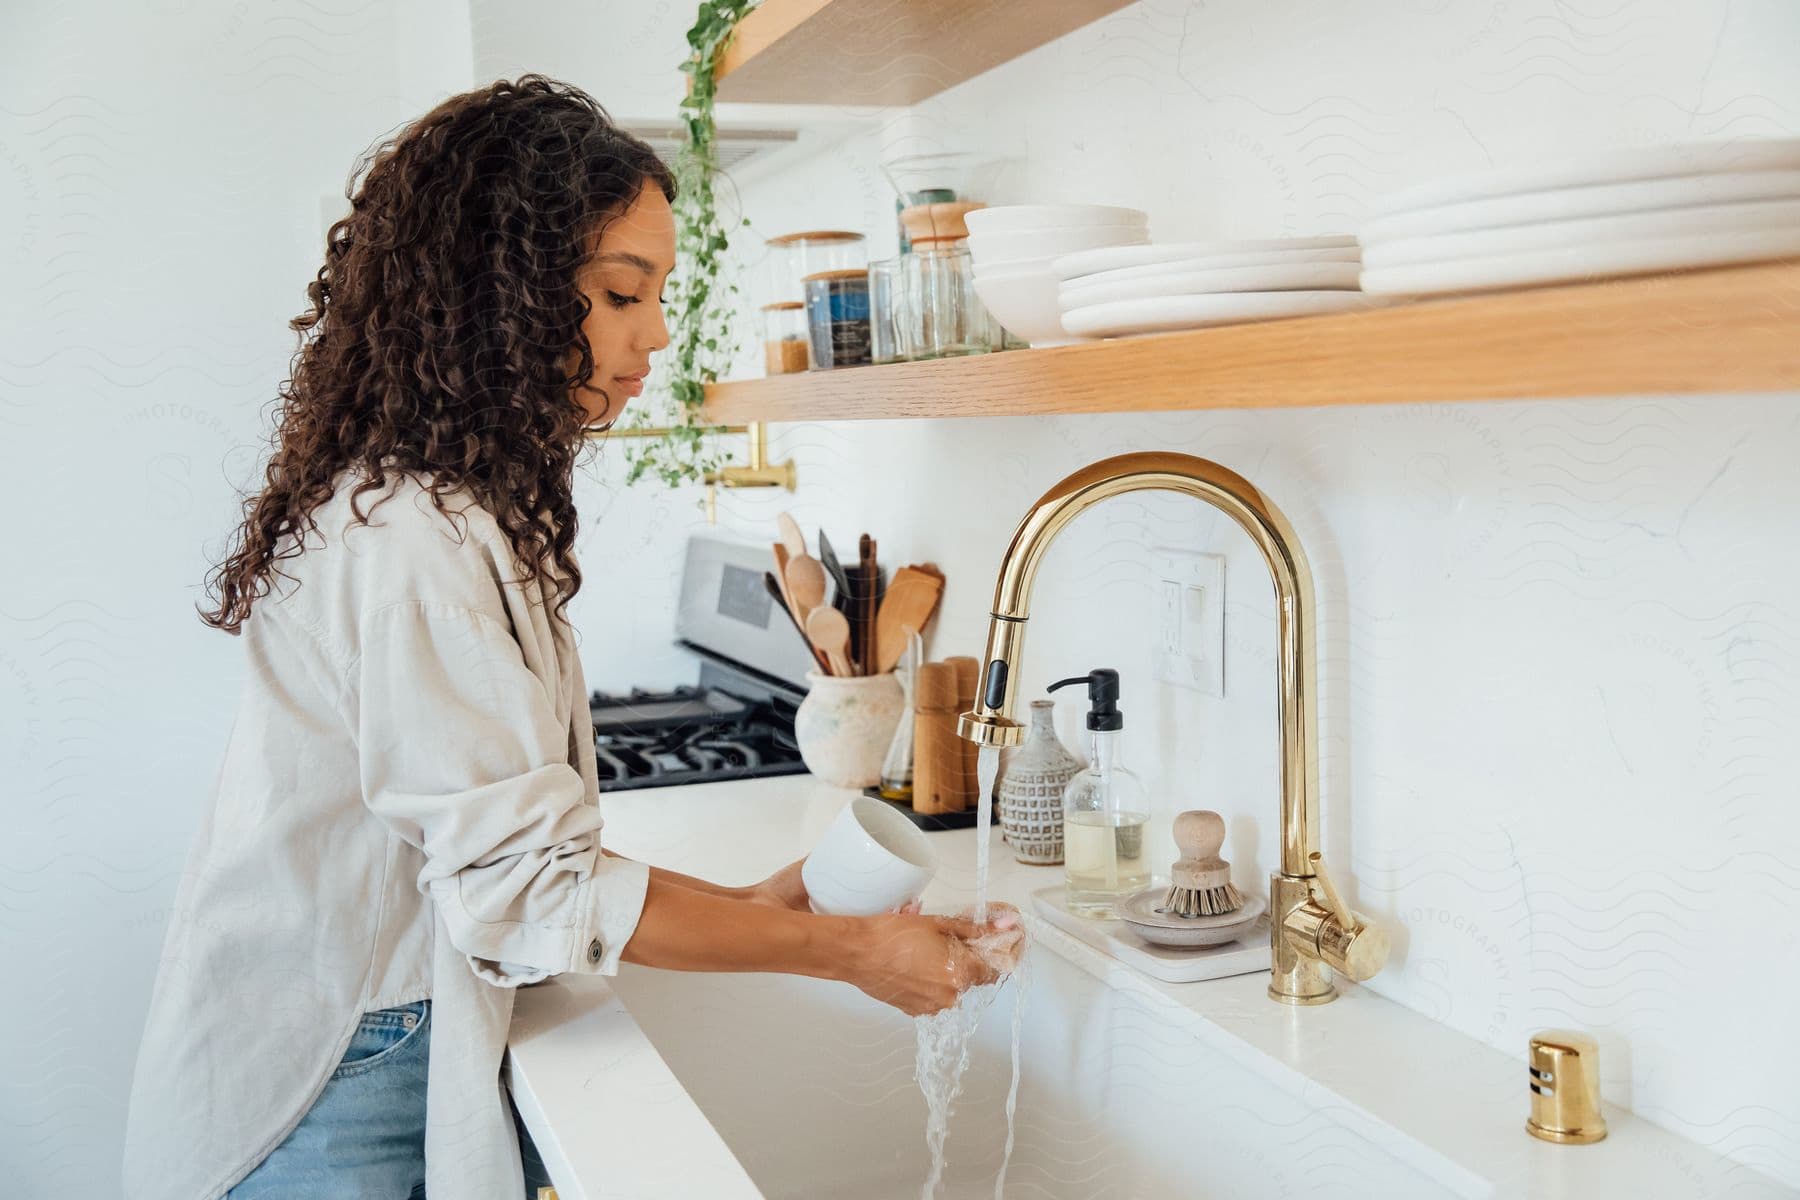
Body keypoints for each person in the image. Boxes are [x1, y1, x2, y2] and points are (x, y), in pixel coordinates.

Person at [120, 74, 1019, 1200]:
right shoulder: (414, 542)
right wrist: (854, 955)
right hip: (338, 1072)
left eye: (657, 294)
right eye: (617, 292)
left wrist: (765, 904)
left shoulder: (451, 509)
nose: (652, 334)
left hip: (380, 1025)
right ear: (497, 292)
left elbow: (513, 859)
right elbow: (524, 892)